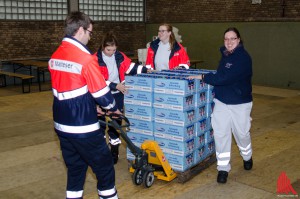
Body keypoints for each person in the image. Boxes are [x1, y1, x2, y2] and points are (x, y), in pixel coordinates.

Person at [48, 11, 121, 199]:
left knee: (75, 168)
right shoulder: (86, 58)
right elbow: (102, 94)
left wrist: (90, 105)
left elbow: (71, 89)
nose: (90, 37)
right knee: (104, 168)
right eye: (90, 33)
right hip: (84, 128)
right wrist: (113, 107)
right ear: (81, 30)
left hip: (62, 125)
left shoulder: (56, 56)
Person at [188, 27, 253, 184]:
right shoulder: (225, 55)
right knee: (221, 134)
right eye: (226, 39)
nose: (229, 42)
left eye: (232, 38)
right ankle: (223, 168)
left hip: (240, 103)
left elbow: (224, 78)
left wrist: (203, 76)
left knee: (241, 134)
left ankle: (247, 156)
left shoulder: (243, 58)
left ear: (238, 40)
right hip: (222, 102)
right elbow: (221, 75)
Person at [96, 32, 148, 164]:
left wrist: (147, 70)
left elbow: (131, 67)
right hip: (102, 94)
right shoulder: (95, 59)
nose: (111, 52)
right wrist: (114, 85)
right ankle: (101, 150)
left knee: (116, 123)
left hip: (118, 94)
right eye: (108, 50)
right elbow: (97, 79)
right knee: (100, 123)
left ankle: (114, 149)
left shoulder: (119, 56)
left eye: (114, 49)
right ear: (103, 47)